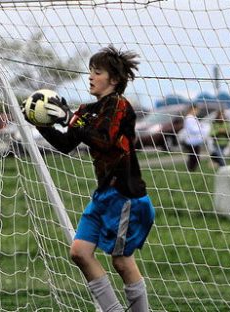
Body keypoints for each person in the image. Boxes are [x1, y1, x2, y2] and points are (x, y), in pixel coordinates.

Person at [24, 46, 154, 312]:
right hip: (104, 195)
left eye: (97, 72)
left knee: (121, 261)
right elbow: (66, 144)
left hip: (126, 195)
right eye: (90, 71)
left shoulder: (120, 106)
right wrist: (41, 123)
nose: (91, 77)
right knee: (80, 252)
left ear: (114, 79)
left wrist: (71, 118)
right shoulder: (86, 110)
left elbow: (105, 140)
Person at [180, 105, 205, 171]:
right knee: (193, 157)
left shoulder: (193, 118)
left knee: (195, 156)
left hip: (195, 141)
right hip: (191, 141)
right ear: (192, 109)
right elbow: (192, 129)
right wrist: (200, 128)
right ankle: (191, 169)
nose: (197, 112)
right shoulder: (189, 118)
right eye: (196, 110)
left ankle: (192, 169)